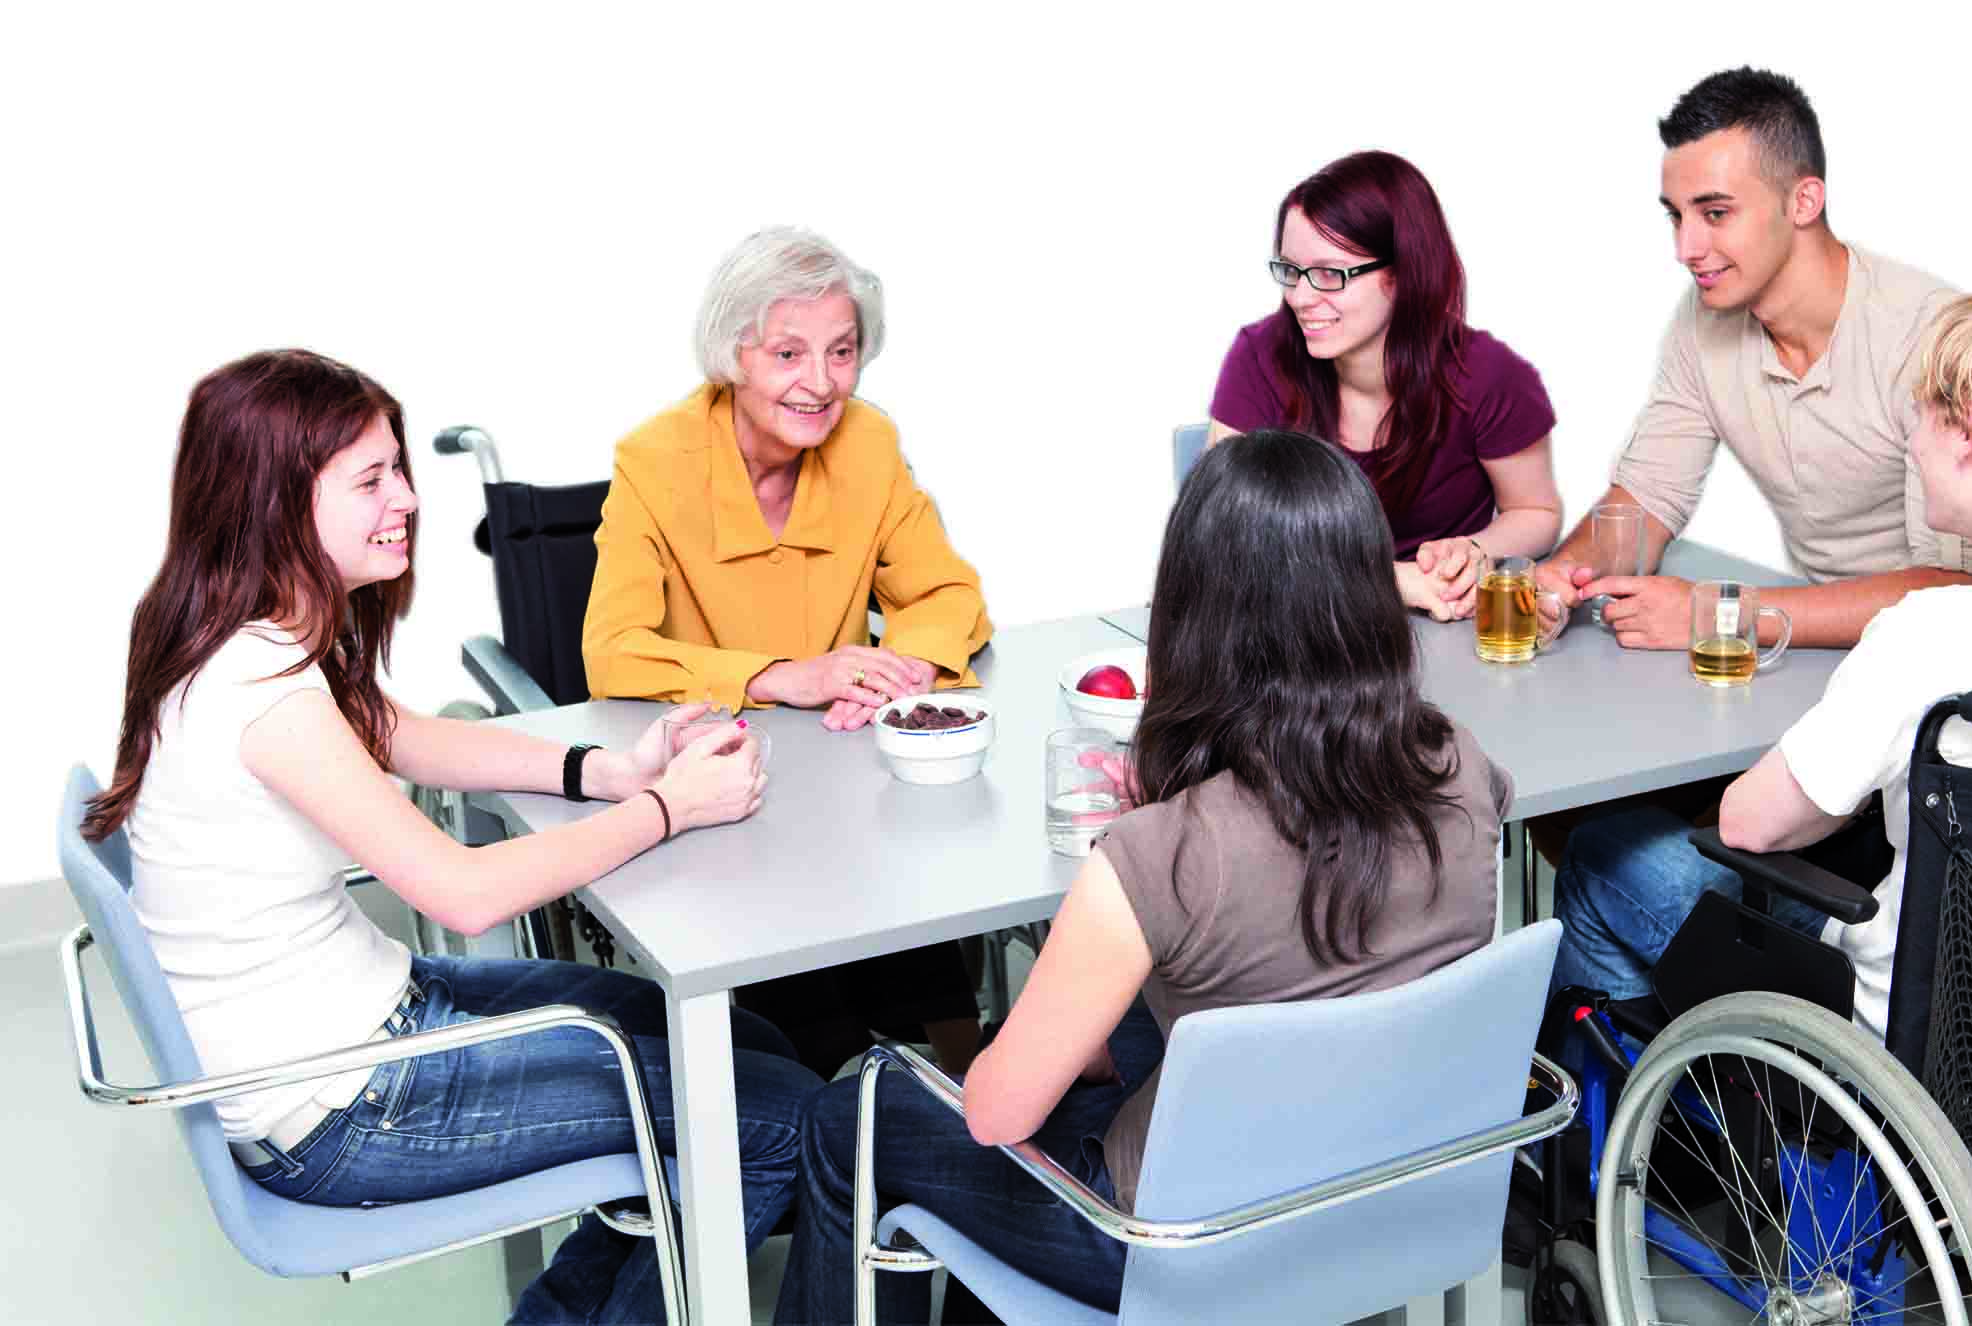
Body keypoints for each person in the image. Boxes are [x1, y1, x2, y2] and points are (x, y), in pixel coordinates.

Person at [86, 349, 822, 1324]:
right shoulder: (260, 691)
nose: (406, 498)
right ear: (277, 501)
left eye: (399, 467)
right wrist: (668, 810)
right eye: (370, 479)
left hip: (361, 1027)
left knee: (739, 1043)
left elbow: (404, 737)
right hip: (347, 1106)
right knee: (773, 1123)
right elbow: (463, 894)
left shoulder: (251, 633)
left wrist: (604, 772)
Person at [780, 429, 1514, 1323]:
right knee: (1104, 1037)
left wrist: (1132, 854)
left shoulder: (1159, 858)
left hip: (1178, 1244)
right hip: (1400, 1193)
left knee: (853, 1111)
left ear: (1192, 612)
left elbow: (994, 1117)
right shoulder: (1461, 764)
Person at [1557, 286, 1972, 1038]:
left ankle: (1651, 1140)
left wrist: (1854, 768)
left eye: (1921, 412)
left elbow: (1750, 825)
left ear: (1967, 433)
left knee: (1604, 855)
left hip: (1924, 1040)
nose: (1910, 442)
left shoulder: (1933, 636)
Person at [582, 226, 989, 1074]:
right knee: (818, 1012)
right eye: (789, 353)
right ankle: (843, 1120)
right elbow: (612, 653)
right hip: (721, 794)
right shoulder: (654, 464)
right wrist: (780, 677)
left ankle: (979, 1099)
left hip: (848, 777)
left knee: (930, 935)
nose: (821, 382)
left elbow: (947, 595)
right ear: (734, 356)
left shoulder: (868, 443)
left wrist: (897, 668)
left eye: (841, 352)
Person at [1536, 67, 1972, 650]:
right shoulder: (1703, 323)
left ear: (1803, 201)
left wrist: (1723, 614)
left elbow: (1963, 589)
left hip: (1951, 656)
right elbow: (1645, 500)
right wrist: (1556, 579)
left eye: (1715, 213)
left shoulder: (1932, 336)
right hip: (1819, 647)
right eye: (1676, 215)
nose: (1685, 249)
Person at [1208, 150, 1563, 622]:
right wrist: (1393, 581)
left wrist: (1475, 550)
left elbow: (1536, 512)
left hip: (1442, 628)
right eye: (1291, 271)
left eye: (1331, 274)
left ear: (1405, 274)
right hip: (1294, 626)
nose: (1300, 297)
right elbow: (1224, 533)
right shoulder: (1259, 356)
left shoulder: (1491, 375)